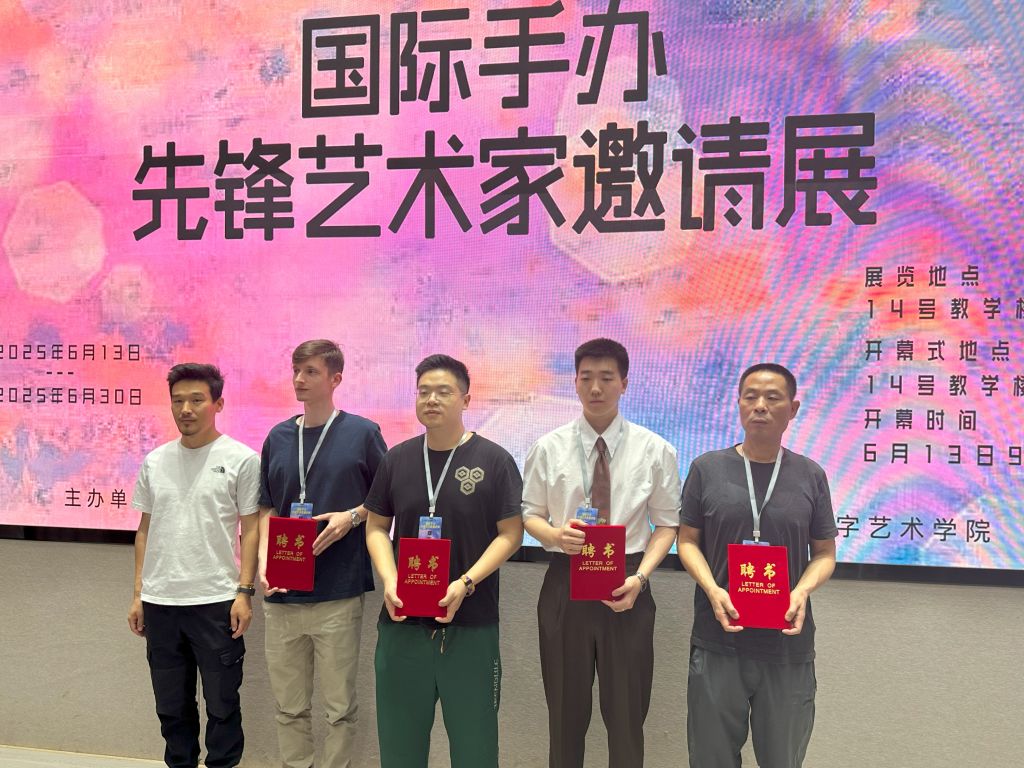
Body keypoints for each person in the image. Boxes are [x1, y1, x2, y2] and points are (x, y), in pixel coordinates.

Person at [522, 338, 681, 768]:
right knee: (564, 715)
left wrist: (641, 577)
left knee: (627, 715)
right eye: (587, 377)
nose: (596, 388)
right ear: (574, 382)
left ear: (624, 383)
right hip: (565, 578)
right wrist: (555, 536)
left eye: (607, 378)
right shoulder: (548, 447)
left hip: (627, 581)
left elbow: (667, 525)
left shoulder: (655, 449)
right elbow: (529, 515)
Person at [363, 354, 524, 768]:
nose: (431, 399)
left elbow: (511, 534)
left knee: (475, 750)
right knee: (399, 749)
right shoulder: (396, 459)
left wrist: (466, 582)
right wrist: (390, 579)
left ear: (466, 400)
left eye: (443, 392)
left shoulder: (494, 460)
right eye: (424, 392)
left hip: (470, 626)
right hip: (402, 624)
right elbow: (377, 527)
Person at [677, 363, 838, 768]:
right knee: (710, 759)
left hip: (787, 645)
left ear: (793, 409)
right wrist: (712, 589)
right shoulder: (706, 469)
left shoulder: (810, 475)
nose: (760, 406)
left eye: (772, 397)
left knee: (783, 759)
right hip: (719, 639)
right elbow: (687, 541)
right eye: (750, 396)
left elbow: (824, 553)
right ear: (739, 404)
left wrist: (802, 590)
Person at [257, 339, 386, 768]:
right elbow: (267, 507)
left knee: (339, 709)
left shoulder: (362, 434)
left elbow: (386, 500)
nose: (299, 379)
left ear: (335, 379)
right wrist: (262, 563)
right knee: (288, 707)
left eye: (311, 371)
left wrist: (351, 517)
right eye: (296, 370)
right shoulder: (278, 436)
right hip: (282, 592)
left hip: (337, 591)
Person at [128, 363, 260, 768]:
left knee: (222, 705)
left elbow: (251, 530)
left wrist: (244, 592)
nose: (186, 409)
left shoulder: (241, 459)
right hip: (161, 603)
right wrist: (138, 594)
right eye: (178, 400)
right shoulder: (155, 461)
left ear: (218, 404)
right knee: (171, 707)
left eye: (197, 400)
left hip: (216, 601)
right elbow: (145, 530)